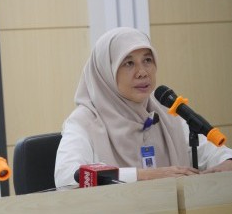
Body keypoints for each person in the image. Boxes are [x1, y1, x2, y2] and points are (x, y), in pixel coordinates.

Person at [54, 27, 232, 187]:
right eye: (129, 63)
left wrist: (226, 161)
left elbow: (214, 154)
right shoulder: (84, 121)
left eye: (147, 60)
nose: (142, 72)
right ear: (106, 72)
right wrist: (143, 175)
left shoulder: (166, 114)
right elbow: (68, 176)